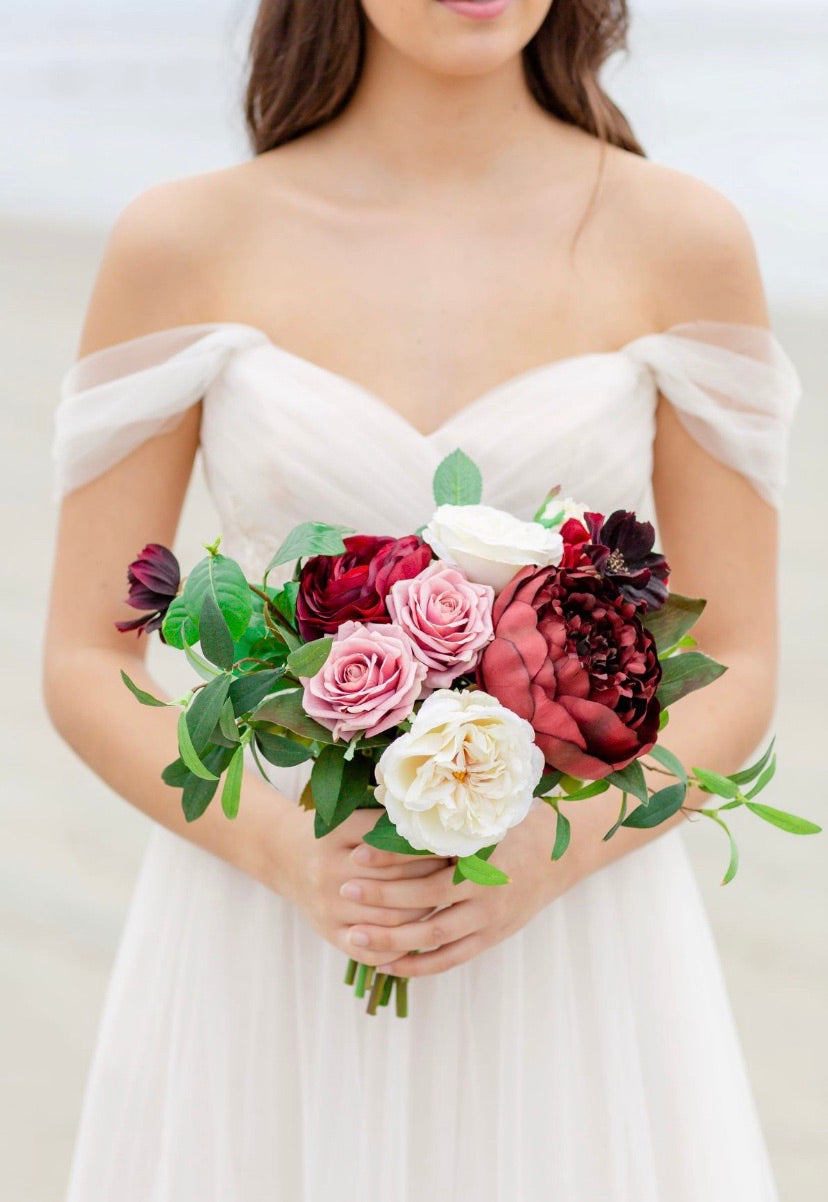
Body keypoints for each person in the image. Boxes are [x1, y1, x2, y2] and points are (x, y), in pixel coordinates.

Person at [44, 2, 800, 1199]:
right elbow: (90, 654)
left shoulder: (680, 239)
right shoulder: (184, 241)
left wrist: (551, 858)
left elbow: (740, 660)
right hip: (265, 920)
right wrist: (288, 852)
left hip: (570, 930)